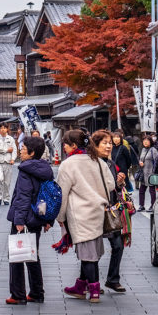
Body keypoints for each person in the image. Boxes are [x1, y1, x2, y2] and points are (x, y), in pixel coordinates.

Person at [57, 129, 114, 303]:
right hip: (97, 212)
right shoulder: (97, 161)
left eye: (66, 144)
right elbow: (110, 184)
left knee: (88, 255)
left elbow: (62, 193)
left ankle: (94, 290)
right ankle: (80, 286)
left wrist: (60, 217)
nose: (64, 147)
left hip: (79, 214)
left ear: (74, 145)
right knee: (90, 253)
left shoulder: (68, 164)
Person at [6, 136, 54, 305]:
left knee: (17, 255)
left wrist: (19, 220)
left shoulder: (26, 170)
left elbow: (23, 197)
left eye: (24, 148)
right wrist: (48, 219)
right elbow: (48, 196)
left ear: (32, 152)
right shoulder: (46, 169)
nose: (21, 150)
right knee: (33, 254)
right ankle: (36, 292)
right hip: (37, 218)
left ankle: (18, 294)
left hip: (24, 218)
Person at [94, 131, 129, 293]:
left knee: (118, 245)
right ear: (95, 145)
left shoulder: (109, 162)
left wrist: (120, 183)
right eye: (104, 143)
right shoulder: (92, 163)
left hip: (111, 210)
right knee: (93, 249)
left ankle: (113, 279)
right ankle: (90, 281)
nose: (109, 146)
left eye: (109, 143)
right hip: (94, 211)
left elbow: (113, 187)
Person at [0, 123, 17, 206]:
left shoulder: (11, 139)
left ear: (7, 129)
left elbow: (14, 150)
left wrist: (13, 159)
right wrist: (6, 150)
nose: (3, 129)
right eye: (1, 128)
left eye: (4, 128)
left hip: (8, 162)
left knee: (7, 182)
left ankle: (6, 198)